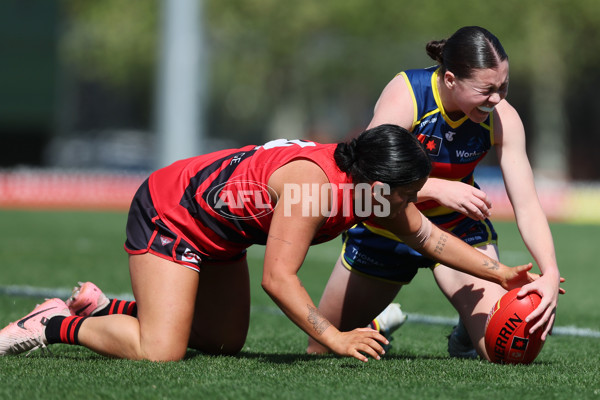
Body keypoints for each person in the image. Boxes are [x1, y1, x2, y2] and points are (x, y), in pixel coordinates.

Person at [0, 124, 538, 363]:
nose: (412, 203)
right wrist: (337, 339)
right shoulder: (314, 190)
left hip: (221, 235)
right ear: (379, 186)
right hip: (173, 214)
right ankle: (53, 323)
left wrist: (503, 275)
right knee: (160, 353)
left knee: (220, 344)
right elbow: (278, 279)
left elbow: (429, 239)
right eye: (408, 193)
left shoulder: (373, 192)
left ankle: (106, 306)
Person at [307, 26, 563, 361]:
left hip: (457, 229)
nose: (497, 99)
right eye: (487, 89)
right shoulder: (407, 94)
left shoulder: (503, 118)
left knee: (503, 351)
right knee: (322, 348)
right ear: (451, 79)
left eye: (503, 87)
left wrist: (550, 272)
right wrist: (437, 188)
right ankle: (376, 323)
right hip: (388, 226)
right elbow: (367, 171)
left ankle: (466, 332)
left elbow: (527, 205)